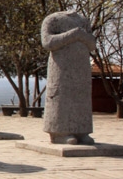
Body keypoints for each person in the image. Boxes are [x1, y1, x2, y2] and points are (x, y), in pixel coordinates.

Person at [41, 10, 96, 145]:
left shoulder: (84, 21)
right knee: (61, 97)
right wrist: (73, 34)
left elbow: (92, 45)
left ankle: (82, 131)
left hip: (81, 67)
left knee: (81, 98)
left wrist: (81, 35)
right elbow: (47, 42)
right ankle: (59, 133)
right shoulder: (52, 19)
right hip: (61, 67)